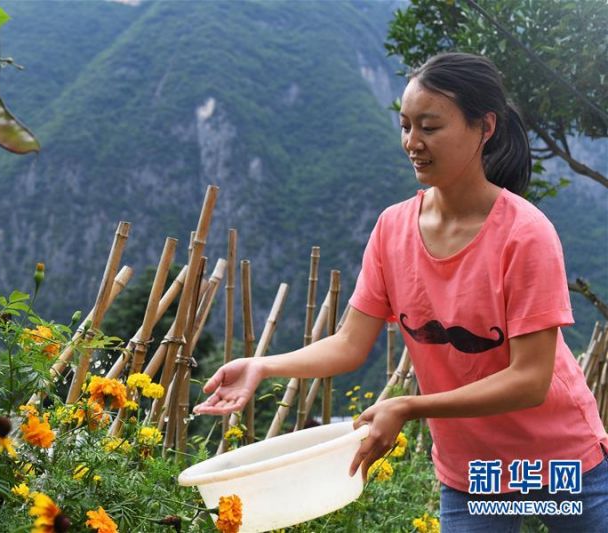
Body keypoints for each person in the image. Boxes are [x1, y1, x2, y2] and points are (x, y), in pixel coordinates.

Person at [193, 52, 608, 531]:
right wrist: (263, 366)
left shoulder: (526, 234)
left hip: (560, 465)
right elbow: (350, 345)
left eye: (430, 127)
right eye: (406, 125)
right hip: (474, 473)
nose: (413, 142)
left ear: (485, 128)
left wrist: (410, 406)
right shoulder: (393, 229)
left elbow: (531, 380)